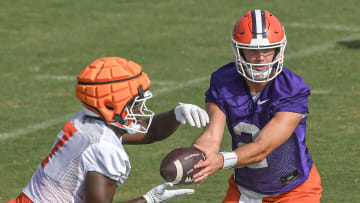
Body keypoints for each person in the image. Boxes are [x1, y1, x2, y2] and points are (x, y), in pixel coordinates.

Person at [10, 57, 209, 203]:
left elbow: (151, 132)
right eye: (135, 105)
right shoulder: (105, 149)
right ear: (110, 106)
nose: (140, 111)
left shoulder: (86, 121)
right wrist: (149, 199)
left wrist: (176, 114)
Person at [192, 10, 322, 203]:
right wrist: (196, 157)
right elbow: (212, 135)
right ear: (239, 51)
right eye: (252, 51)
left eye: (267, 50)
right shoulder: (223, 81)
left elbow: (263, 147)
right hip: (245, 190)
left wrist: (220, 160)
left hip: (293, 191)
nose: (260, 58)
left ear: (278, 50)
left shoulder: (292, 88)